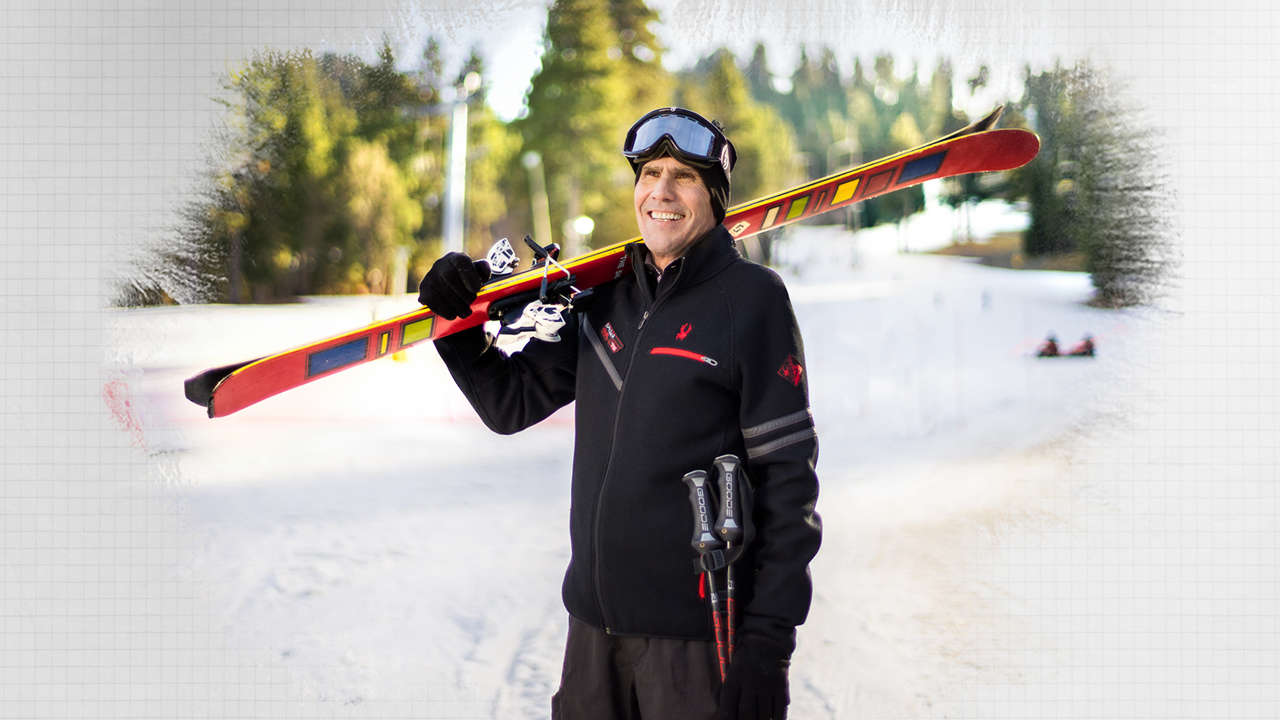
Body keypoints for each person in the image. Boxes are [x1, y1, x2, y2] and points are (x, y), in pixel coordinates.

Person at [418, 107, 821, 720]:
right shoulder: (606, 299)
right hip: (592, 633)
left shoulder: (751, 300)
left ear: (714, 197)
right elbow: (509, 403)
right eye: (650, 174)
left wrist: (769, 643)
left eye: (684, 177)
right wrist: (456, 322)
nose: (661, 192)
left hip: (695, 641)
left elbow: (789, 484)